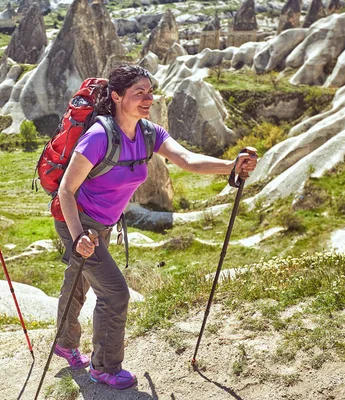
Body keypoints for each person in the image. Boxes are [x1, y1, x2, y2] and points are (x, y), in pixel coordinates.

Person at [53, 64, 257, 389]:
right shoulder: (98, 136)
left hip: (104, 222)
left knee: (81, 281)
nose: (148, 99)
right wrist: (78, 236)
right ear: (117, 96)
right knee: (115, 293)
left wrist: (230, 166)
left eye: (150, 92)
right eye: (139, 93)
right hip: (78, 221)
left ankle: (64, 344)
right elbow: (66, 190)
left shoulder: (149, 133)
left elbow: (187, 160)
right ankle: (103, 367)